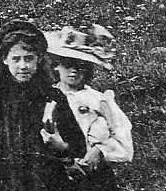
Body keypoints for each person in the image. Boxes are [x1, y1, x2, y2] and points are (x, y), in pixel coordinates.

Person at [0, 19, 87, 191]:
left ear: (39, 59)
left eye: (29, 59)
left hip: (48, 182)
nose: (23, 66)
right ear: (4, 60)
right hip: (5, 181)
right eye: (16, 59)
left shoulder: (52, 96)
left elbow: (78, 144)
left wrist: (61, 146)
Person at [46, 25, 133, 191]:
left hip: (95, 177)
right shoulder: (47, 97)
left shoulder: (99, 100)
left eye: (80, 65)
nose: (73, 70)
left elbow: (122, 133)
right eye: (68, 64)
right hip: (56, 175)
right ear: (56, 65)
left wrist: (100, 151)